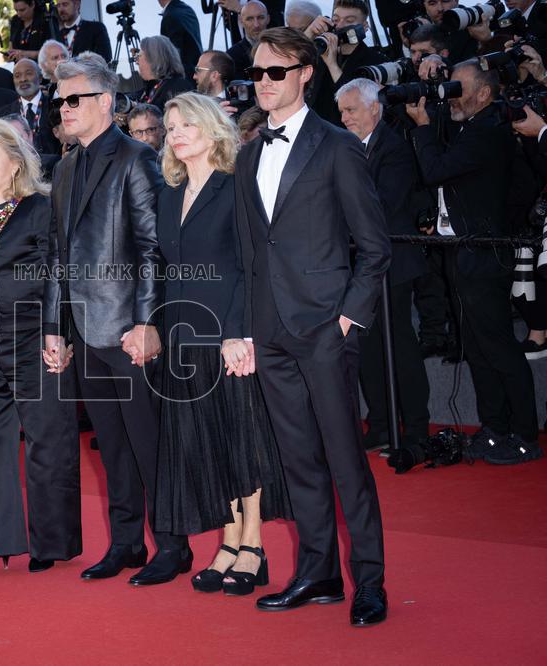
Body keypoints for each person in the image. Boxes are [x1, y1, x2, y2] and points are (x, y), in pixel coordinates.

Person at [234, 27, 389, 626]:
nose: (264, 82)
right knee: (297, 459)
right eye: (257, 72)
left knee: (346, 460)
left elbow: (374, 247)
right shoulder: (250, 153)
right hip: (271, 330)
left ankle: (369, 581)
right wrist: (249, 328)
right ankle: (318, 573)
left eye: (276, 71)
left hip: (326, 329)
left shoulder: (337, 146)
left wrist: (348, 317)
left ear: (305, 74)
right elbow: (250, 252)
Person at [45, 53, 190, 585]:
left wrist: (147, 322)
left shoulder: (136, 158)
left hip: (130, 330)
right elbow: (58, 255)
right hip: (86, 329)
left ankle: (173, 545)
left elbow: (152, 249)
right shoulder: (64, 167)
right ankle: (127, 543)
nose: (65, 109)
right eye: (60, 101)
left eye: (74, 99)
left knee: (149, 445)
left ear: (105, 101)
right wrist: (55, 328)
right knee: (112, 448)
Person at [153, 92, 291, 595]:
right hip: (184, 338)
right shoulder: (169, 193)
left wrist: (238, 332)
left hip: (228, 337)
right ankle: (229, 542)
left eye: (187, 124)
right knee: (209, 444)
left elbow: (249, 266)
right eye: (170, 127)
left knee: (242, 442)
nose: (176, 134)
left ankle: (253, 545)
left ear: (213, 129)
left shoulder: (236, 185)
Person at [0, 118, 81, 578]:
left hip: (32, 339)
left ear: (15, 163)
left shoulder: (38, 208)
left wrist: (55, 331)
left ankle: (52, 541)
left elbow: (56, 272)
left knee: (47, 440)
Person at [405, 59, 541, 464]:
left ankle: (524, 435)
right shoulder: (470, 127)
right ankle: (495, 429)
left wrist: (423, 126)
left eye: (457, 88)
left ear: (483, 93)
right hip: (463, 250)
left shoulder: (487, 132)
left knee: (498, 348)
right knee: (478, 349)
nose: (451, 96)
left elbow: (435, 170)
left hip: (483, 253)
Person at [335, 79, 431, 452]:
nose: (344, 118)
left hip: (394, 263)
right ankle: (379, 424)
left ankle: (417, 427)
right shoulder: (347, 149)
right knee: (366, 348)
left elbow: (384, 204)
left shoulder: (394, 148)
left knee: (400, 345)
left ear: (375, 108)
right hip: (359, 266)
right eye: (341, 112)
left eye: (351, 110)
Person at [135, 36, 194, 112]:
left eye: (139, 56)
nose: (137, 62)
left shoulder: (178, 88)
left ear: (153, 58)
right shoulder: (152, 87)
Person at [159, 0, 203, 75]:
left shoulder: (170, 15)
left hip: (183, 75)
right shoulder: (187, 9)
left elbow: (172, 54)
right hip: (195, 71)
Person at [228, 1, 270, 73]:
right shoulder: (233, 56)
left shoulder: (281, 48)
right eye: (250, 19)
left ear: (268, 19)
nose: (256, 25)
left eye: (260, 18)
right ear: (241, 22)